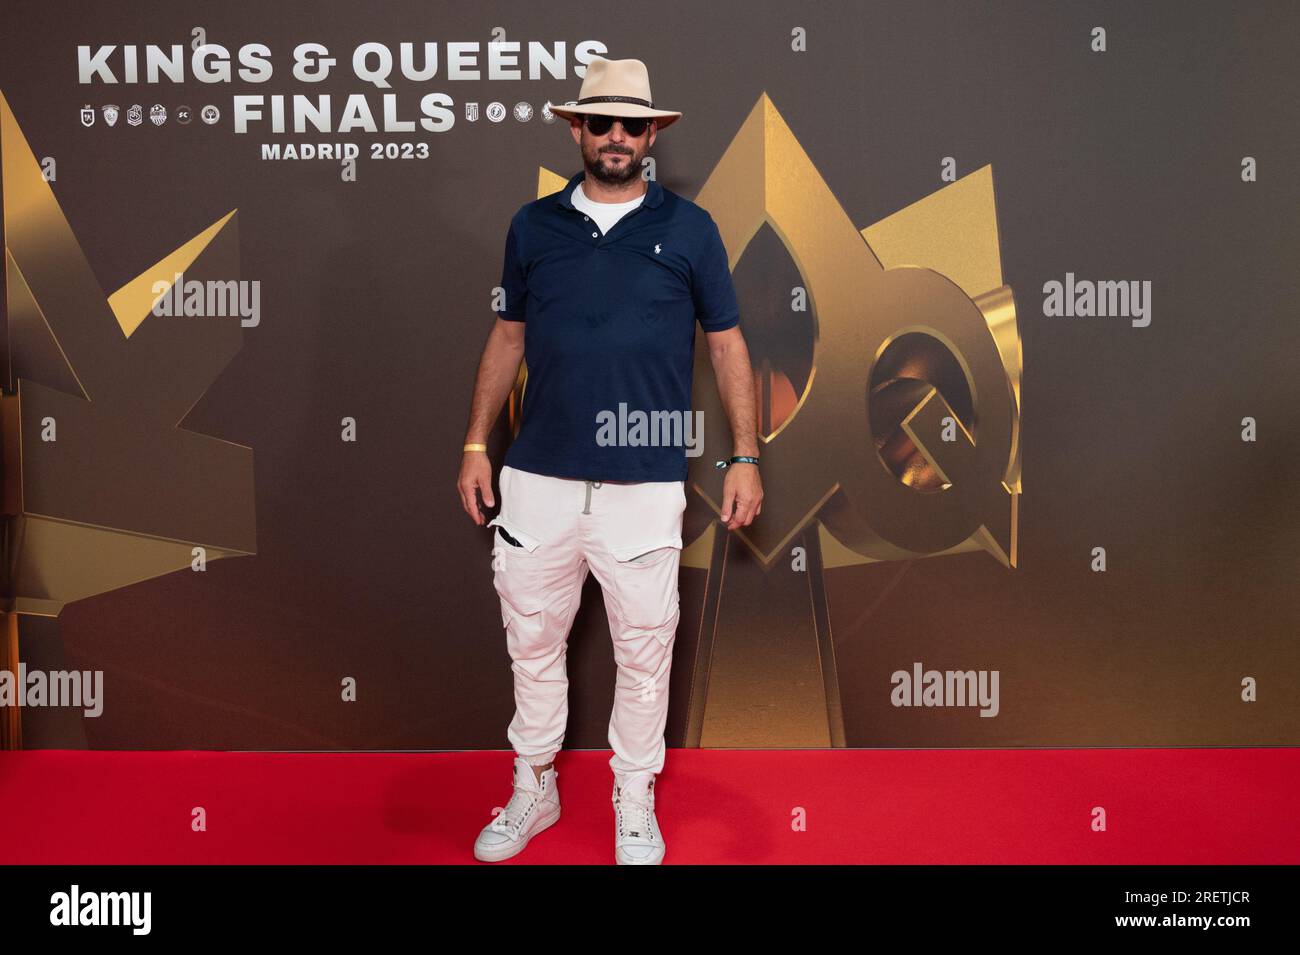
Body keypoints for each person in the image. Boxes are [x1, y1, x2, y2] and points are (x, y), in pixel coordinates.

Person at [457, 57, 762, 865]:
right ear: (576, 129)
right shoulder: (532, 226)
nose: (617, 136)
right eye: (602, 123)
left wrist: (744, 454)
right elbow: (508, 335)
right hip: (537, 478)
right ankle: (534, 784)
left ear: (654, 132)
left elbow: (727, 344)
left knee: (644, 646)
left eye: (633, 123)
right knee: (531, 641)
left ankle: (634, 797)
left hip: (646, 484)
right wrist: (475, 442)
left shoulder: (691, 229)